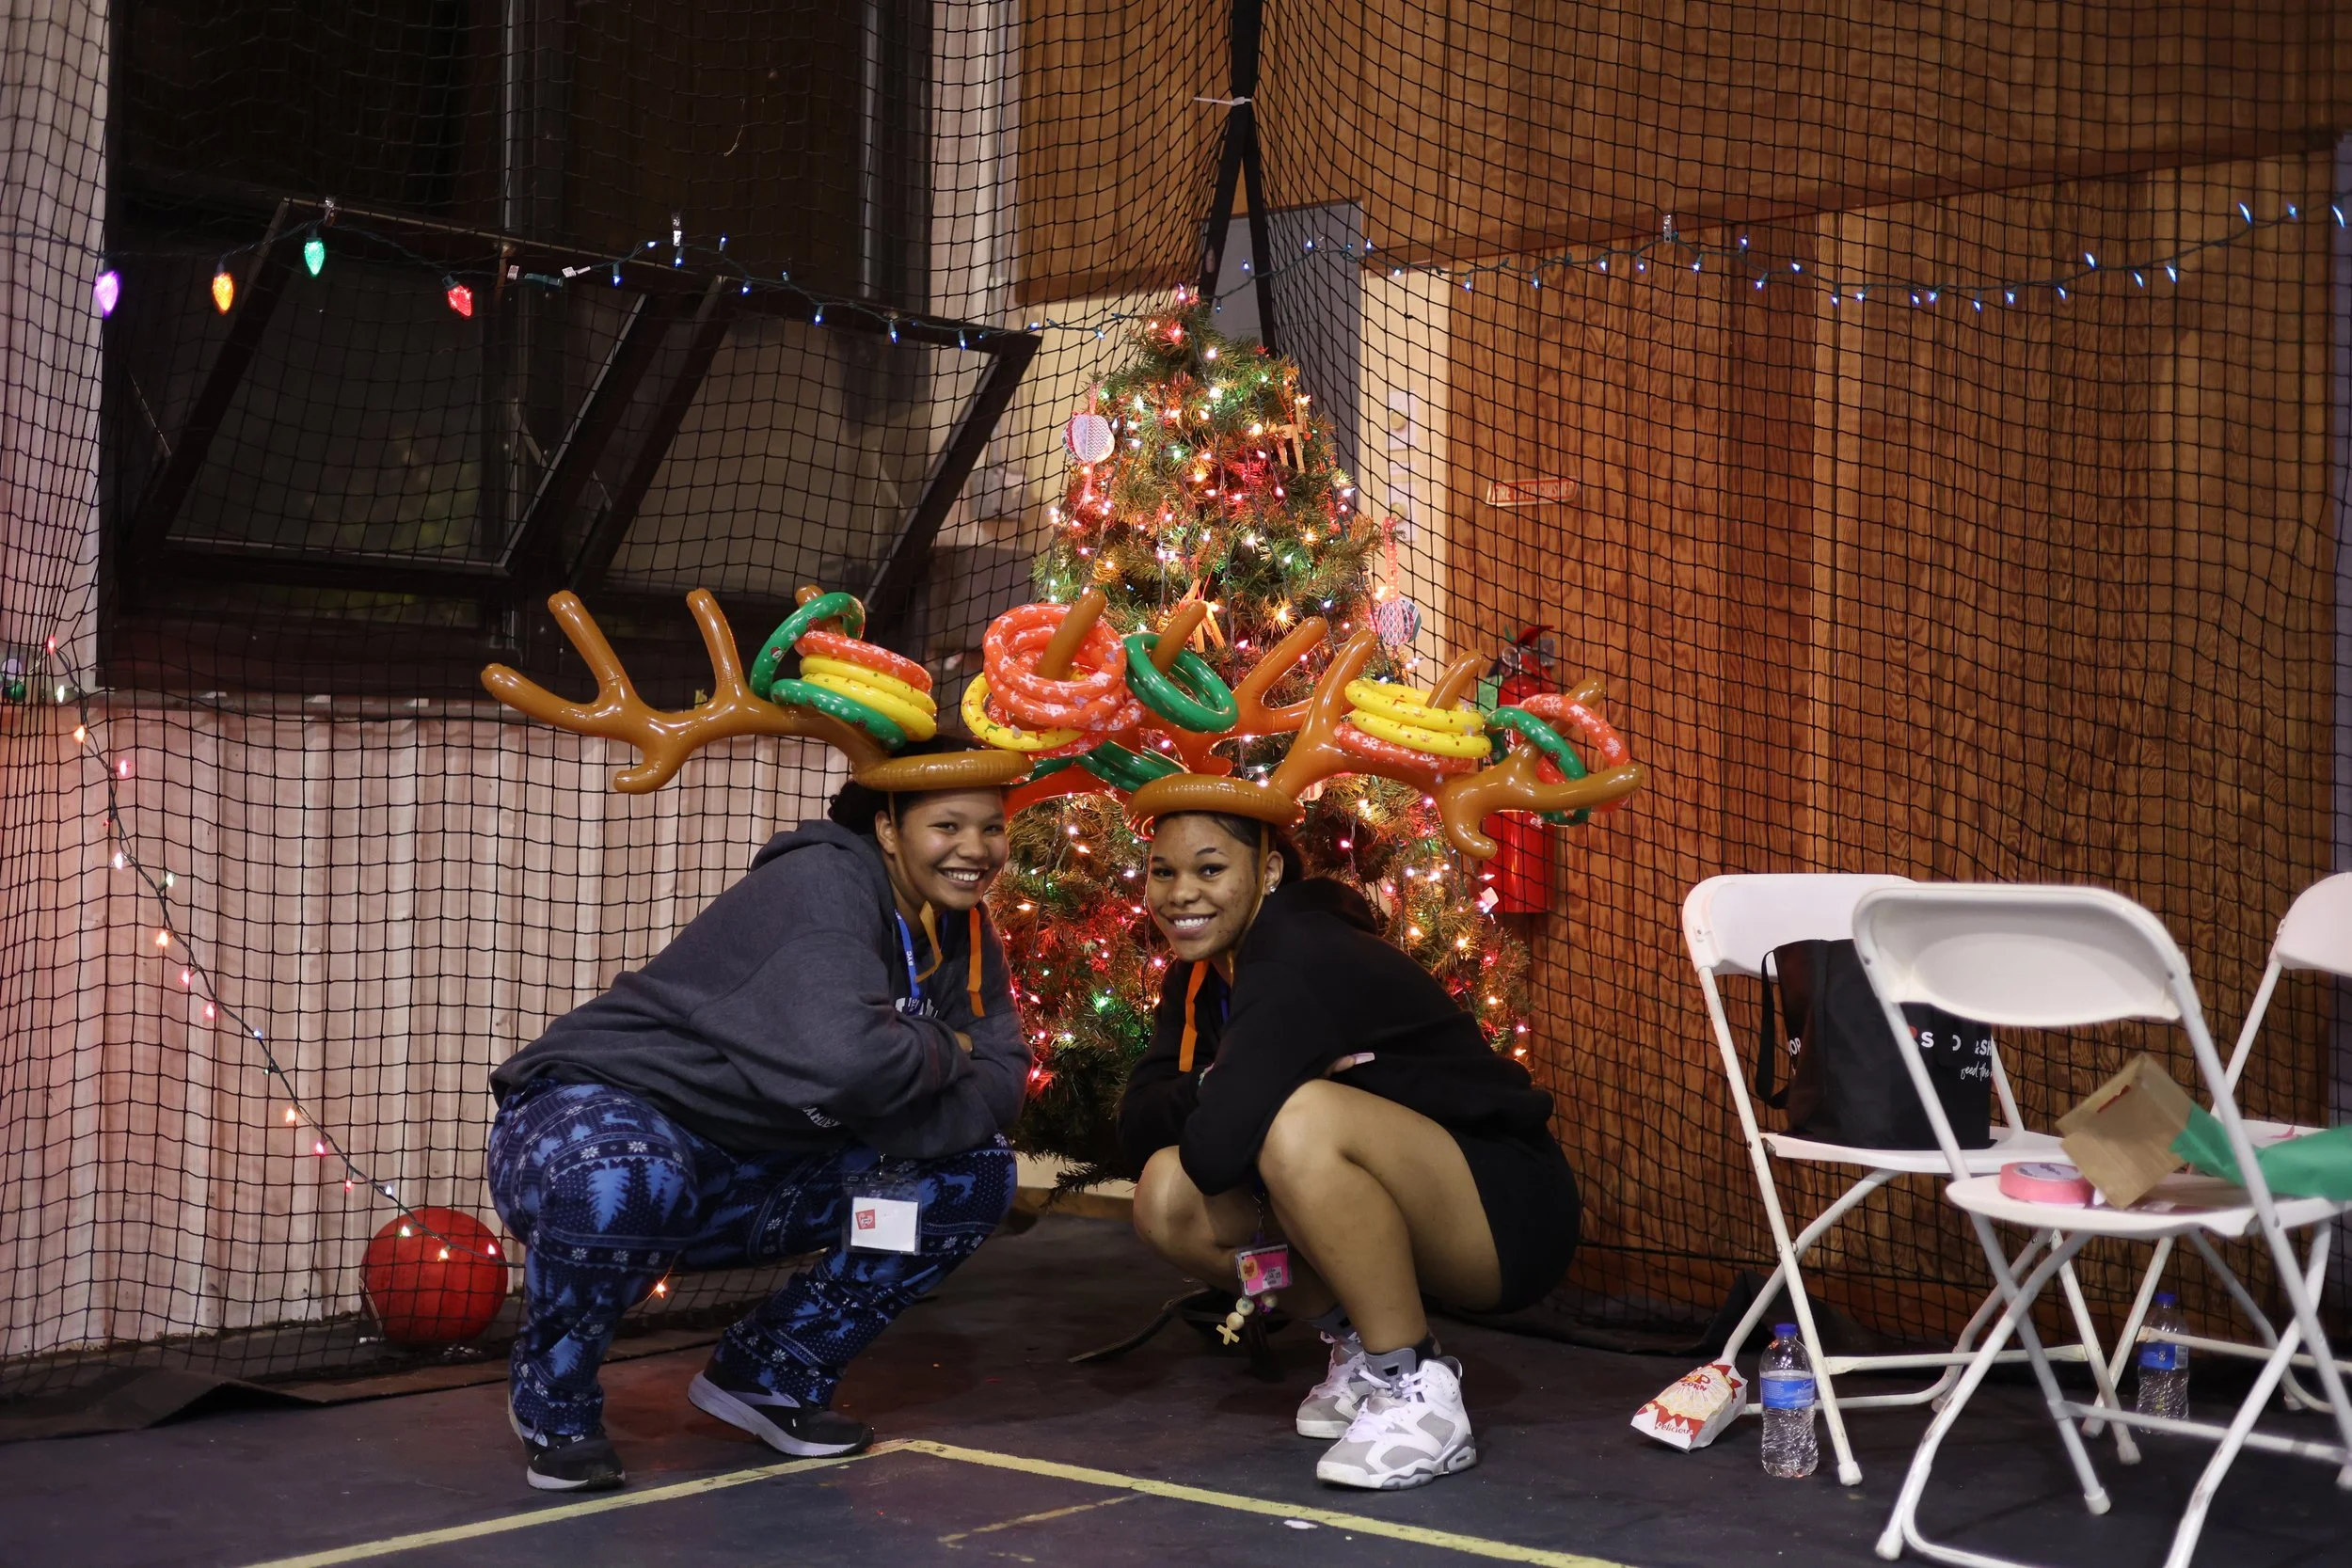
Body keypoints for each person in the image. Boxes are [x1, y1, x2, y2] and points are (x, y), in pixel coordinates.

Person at [484, 739, 1025, 1492]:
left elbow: (1003, 1074)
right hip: (595, 1117)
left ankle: (771, 1371)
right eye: (948, 826)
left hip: (751, 1170)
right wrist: (941, 1045)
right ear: (889, 829)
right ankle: (555, 1395)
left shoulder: (959, 925)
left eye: (992, 827)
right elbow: (847, 1059)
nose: (976, 849)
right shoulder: (822, 881)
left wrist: (891, 1099)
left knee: (972, 1172)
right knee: (629, 1178)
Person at [1118, 810, 1580, 1490]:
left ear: (1267, 871)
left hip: (1506, 1210)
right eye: (1164, 871)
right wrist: (1226, 1081)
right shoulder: (1201, 973)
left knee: (1298, 1119)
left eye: (1210, 868)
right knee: (1165, 1197)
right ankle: (1358, 1340)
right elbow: (1139, 1132)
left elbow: (1218, 1150)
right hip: (1405, 1202)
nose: (1181, 892)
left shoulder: (1296, 950)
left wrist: (1248, 1090)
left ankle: (1418, 1389)